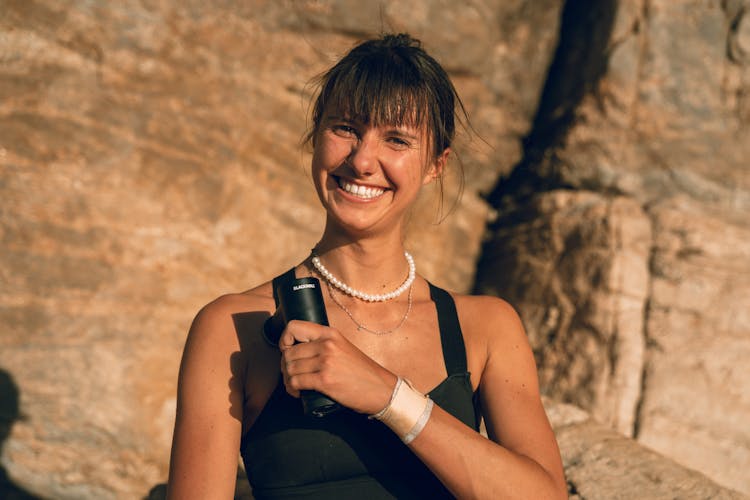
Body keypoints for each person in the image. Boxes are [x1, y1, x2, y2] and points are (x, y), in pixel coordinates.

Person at [167, 33, 566, 499]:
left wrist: (389, 397)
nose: (361, 161)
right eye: (346, 128)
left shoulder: (486, 328)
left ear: (437, 164)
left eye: (396, 139)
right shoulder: (232, 327)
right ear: (317, 133)